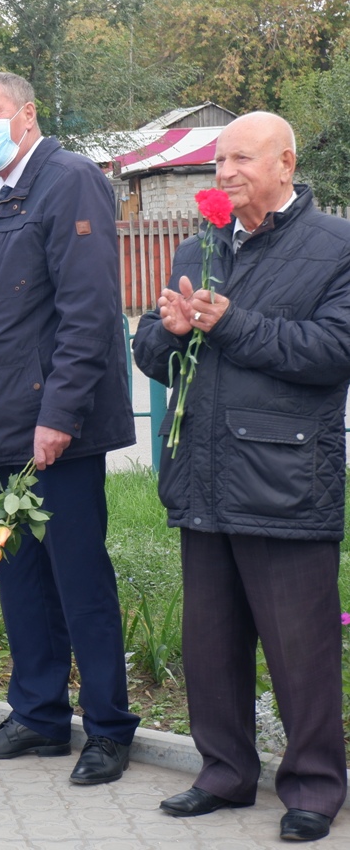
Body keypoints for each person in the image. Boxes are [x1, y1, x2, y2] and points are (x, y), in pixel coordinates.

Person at [133, 112, 349, 843]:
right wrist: (163, 331)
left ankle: (315, 787)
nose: (224, 172)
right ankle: (224, 773)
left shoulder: (337, 246)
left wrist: (229, 324)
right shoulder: (200, 246)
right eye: (220, 159)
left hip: (287, 479)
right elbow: (151, 350)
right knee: (212, 645)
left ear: (286, 163)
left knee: (301, 650)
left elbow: (331, 351)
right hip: (204, 476)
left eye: (242, 159)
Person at [0, 72, 138, 782]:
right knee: (18, 576)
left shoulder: (69, 180)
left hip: (56, 435)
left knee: (79, 580)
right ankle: (38, 716)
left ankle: (110, 730)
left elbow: (87, 312)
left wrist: (58, 416)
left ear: (26, 115)